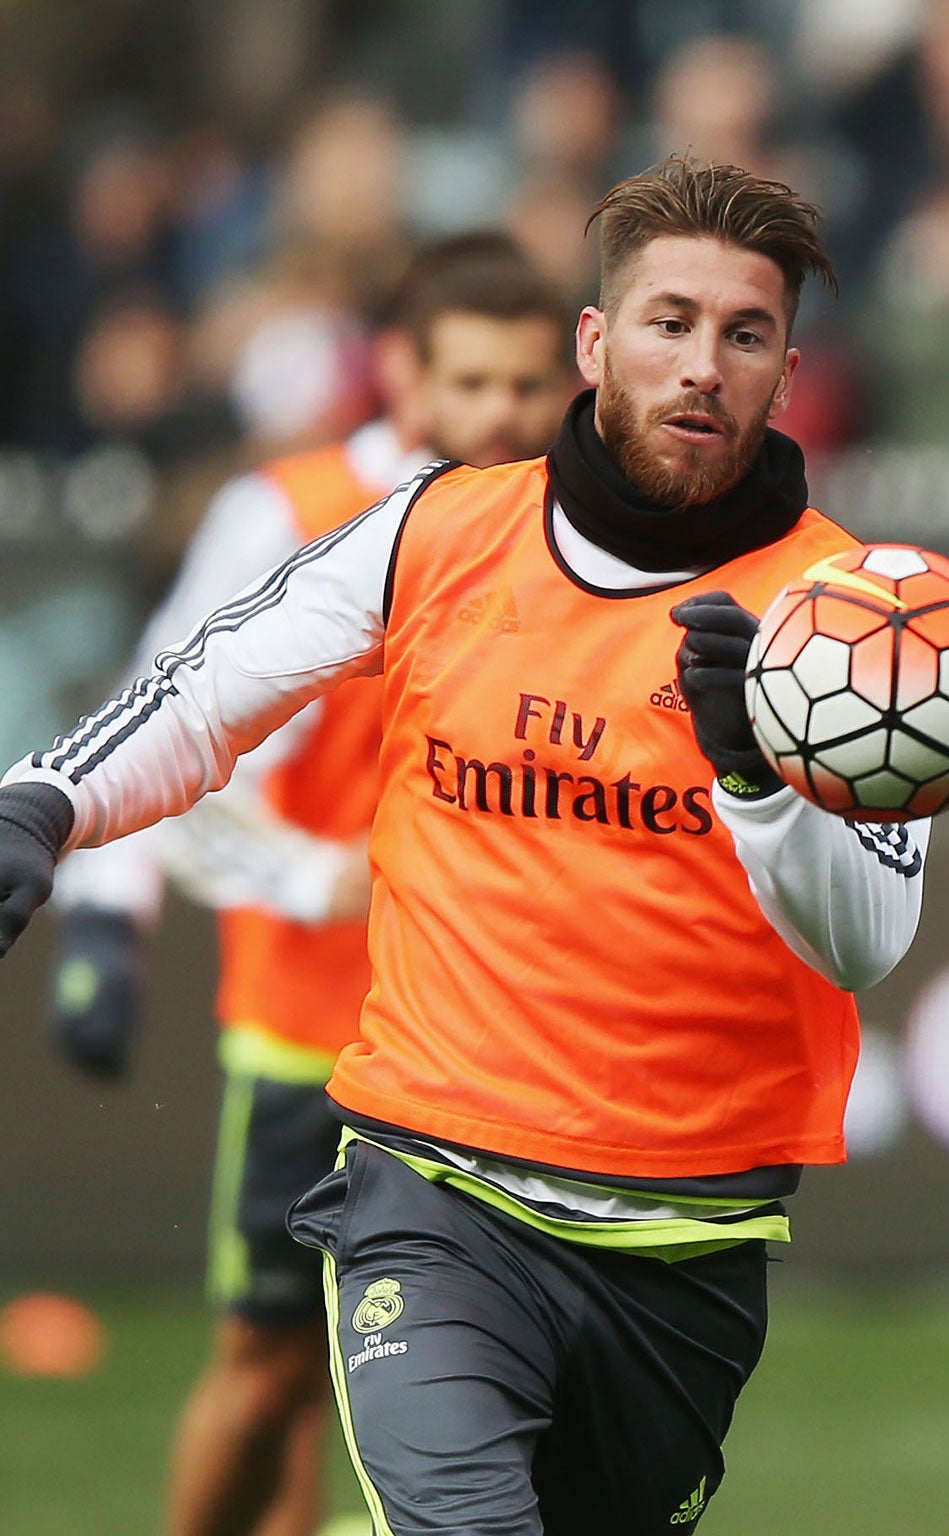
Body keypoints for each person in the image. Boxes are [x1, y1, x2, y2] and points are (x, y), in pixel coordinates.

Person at [0, 158, 928, 1535]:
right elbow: (200, 692)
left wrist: (755, 775)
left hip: (688, 1234)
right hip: (433, 1188)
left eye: (745, 335)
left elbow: (866, 940)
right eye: (668, 322)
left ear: (787, 372)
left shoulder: (853, 616)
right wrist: (42, 804)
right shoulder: (441, 531)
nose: (703, 366)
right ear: (596, 343)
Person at [43, 230, 573, 1536]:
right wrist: (125, 923)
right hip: (310, 1028)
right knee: (272, 1369)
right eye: (472, 383)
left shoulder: (576, 538)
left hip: (497, 1047)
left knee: (506, 1381)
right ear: (401, 373)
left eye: (526, 387)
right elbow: (171, 733)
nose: (500, 416)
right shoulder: (290, 514)